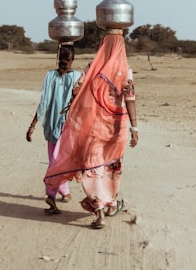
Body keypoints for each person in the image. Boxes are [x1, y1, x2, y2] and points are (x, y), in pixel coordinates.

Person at [44, 30, 138, 228]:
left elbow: (77, 90)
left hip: (94, 127)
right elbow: (130, 98)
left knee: (93, 167)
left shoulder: (92, 68)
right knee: (112, 168)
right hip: (116, 129)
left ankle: (102, 210)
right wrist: (134, 128)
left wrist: (81, 114)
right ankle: (110, 204)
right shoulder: (126, 70)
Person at [26, 43, 81, 214]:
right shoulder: (73, 77)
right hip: (63, 128)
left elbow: (44, 104)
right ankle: (55, 193)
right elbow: (45, 103)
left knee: (56, 161)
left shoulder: (59, 76)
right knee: (58, 162)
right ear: (72, 59)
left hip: (59, 127)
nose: (64, 61)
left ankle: (60, 192)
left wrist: (33, 125)